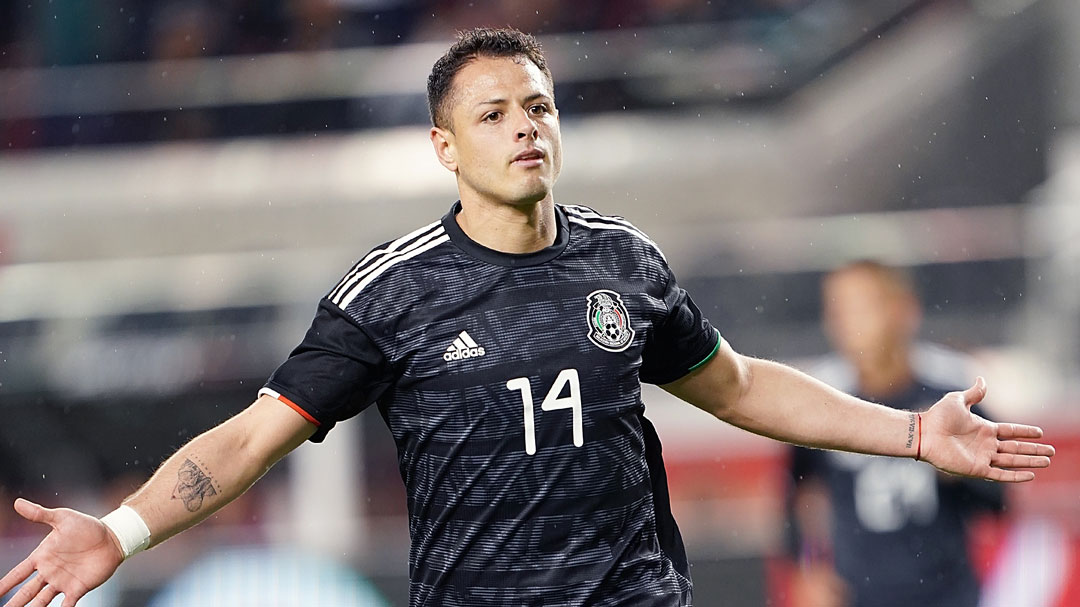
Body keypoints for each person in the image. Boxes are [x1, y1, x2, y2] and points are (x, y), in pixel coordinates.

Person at [0, 27, 1054, 607]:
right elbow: (249, 438)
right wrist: (124, 530)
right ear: (445, 148)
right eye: (494, 114)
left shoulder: (624, 261)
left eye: (540, 106)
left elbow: (734, 385)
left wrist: (913, 431)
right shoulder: (392, 292)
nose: (526, 129)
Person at [782, 261, 1008, 607]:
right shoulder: (822, 395)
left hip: (946, 593)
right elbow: (799, 493)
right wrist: (809, 566)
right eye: (835, 308)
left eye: (859, 306)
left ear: (903, 310)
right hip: (858, 594)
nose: (843, 321)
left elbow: (999, 499)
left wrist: (957, 476)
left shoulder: (951, 391)